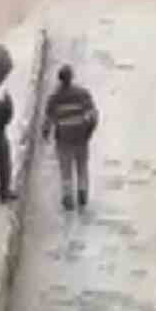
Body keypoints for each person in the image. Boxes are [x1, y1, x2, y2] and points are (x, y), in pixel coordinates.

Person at [42, 64, 99, 211]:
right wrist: (88, 132)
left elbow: (48, 119)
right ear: (71, 77)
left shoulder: (54, 98)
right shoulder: (82, 94)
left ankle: (67, 195)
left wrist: (46, 134)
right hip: (81, 136)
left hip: (63, 138)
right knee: (82, 166)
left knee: (65, 168)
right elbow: (93, 115)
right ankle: (82, 191)